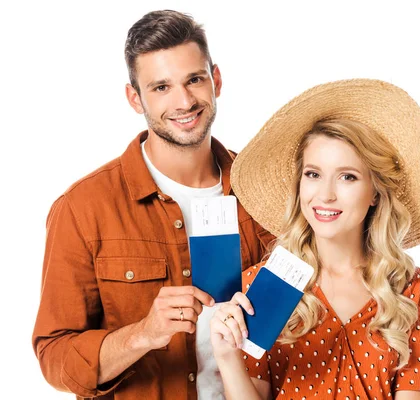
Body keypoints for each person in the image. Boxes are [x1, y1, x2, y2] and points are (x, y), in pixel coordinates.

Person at [32, 10, 274, 400]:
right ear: (134, 98)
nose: (183, 101)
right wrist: (144, 334)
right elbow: (55, 358)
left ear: (216, 80)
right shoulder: (82, 208)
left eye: (194, 79)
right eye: (161, 87)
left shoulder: (264, 192)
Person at [209, 79, 420, 399]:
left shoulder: (413, 290)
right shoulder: (260, 285)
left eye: (347, 177)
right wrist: (227, 357)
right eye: (313, 174)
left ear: (375, 192)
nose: (325, 195)